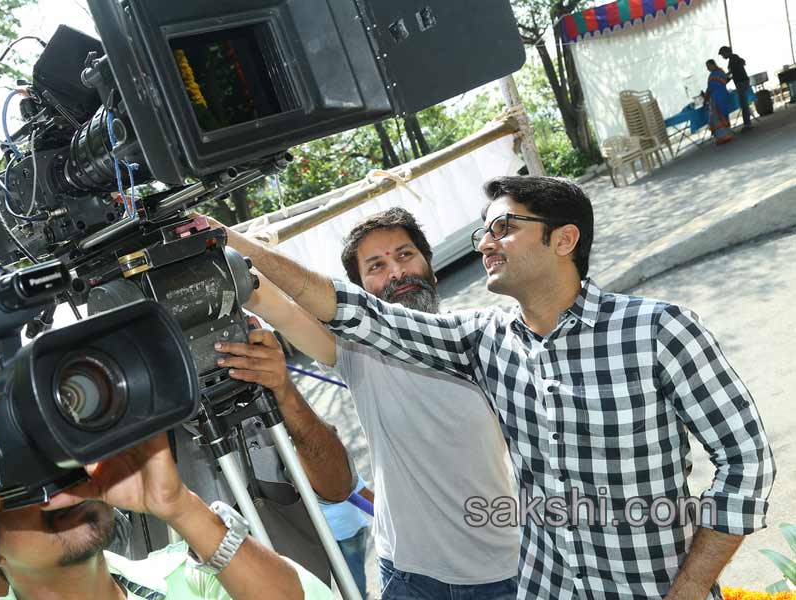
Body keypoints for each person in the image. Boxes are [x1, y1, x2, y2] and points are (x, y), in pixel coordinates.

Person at [213, 176, 776, 600]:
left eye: (503, 228)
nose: (485, 243)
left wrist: (688, 590)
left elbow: (745, 461)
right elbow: (351, 309)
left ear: (564, 239)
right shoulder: (482, 340)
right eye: (483, 232)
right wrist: (223, 238)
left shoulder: (656, 329)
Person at [210, 208, 520, 600]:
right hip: (409, 578)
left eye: (405, 255)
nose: (396, 272)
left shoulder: (482, 341)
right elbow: (271, 300)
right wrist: (215, 234)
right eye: (376, 266)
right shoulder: (357, 352)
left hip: (503, 573)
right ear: (357, 296)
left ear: (431, 268)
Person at [0, 359, 334, 600]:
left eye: (64, 456)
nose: (60, 486)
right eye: (20, 477)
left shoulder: (190, 579)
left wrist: (181, 506)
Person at [317, 477, 373, 598]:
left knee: (337, 576)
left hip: (323, 533)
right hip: (349, 527)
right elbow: (362, 495)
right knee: (355, 572)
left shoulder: (295, 473)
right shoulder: (338, 470)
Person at [718, 46, 753, 130]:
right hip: (743, 81)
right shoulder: (734, 57)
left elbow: (731, 73)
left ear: (726, 52)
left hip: (741, 82)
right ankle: (747, 122)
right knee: (744, 103)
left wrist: (723, 79)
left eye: (723, 55)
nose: (723, 57)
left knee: (743, 104)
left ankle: (747, 124)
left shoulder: (733, 59)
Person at [704, 59, 735, 144]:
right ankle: (728, 133)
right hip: (724, 95)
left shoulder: (712, 76)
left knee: (718, 118)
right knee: (724, 115)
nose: (707, 68)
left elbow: (709, 89)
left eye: (708, 66)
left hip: (717, 98)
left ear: (712, 65)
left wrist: (705, 99)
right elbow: (727, 79)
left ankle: (723, 137)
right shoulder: (721, 72)